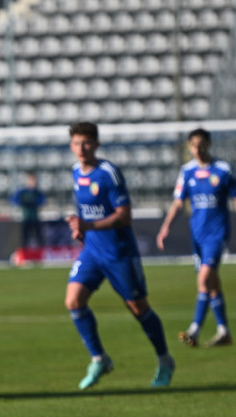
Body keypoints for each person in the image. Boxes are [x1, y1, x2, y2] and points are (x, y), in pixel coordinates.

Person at [64, 121, 174, 390]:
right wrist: (80, 229)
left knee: (138, 308)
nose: (81, 148)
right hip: (92, 251)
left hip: (119, 253)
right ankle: (99, 358)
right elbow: (86, 213)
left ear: (96, 144)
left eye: (87, 142)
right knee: (73, 301)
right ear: (71, 145)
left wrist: (89, 225)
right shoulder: (76, 172)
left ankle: (165, 360)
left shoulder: (109, 173)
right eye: (77, 143)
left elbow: (124, 216)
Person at [156, 128, 236, 348]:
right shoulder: (187, 171)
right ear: (189, 147)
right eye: (193, 146)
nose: (198, 150)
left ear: (208, 144)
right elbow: (177, 202)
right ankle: (224, 331)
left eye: (201, 145)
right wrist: (165, 228)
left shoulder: (222, 170)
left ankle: (194, 329)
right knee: (211, 284)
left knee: (203, 279)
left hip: (217, 234)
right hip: (197, 235)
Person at [10, 172, 46, 248]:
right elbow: (13, 199)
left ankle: (40, 252)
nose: (32, 183)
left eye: (33, 181)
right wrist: (22, 202)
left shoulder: (37, 192)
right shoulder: (23, 192)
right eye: (31, 180)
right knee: (25, 238)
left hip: (35, 218)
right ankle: (24, 253)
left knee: (39, 237)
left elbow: (42, 201)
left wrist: (33, 202)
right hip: (26, 218)